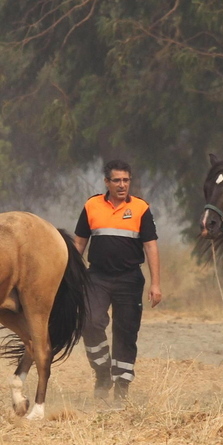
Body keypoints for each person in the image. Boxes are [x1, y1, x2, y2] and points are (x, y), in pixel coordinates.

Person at [73, 160, 162, 400]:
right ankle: (102, 372)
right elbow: (79, 243)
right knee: (89, 322)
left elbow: (151, 246)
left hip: (130, 280)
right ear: (107, 182)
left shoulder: (141, 208)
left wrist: (155, 284)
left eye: (126, 180)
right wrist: (69, 274)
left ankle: (122, 387)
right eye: (117, 180)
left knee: (125, 332)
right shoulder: (92, 206)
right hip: (97, 277)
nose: (122, 185)